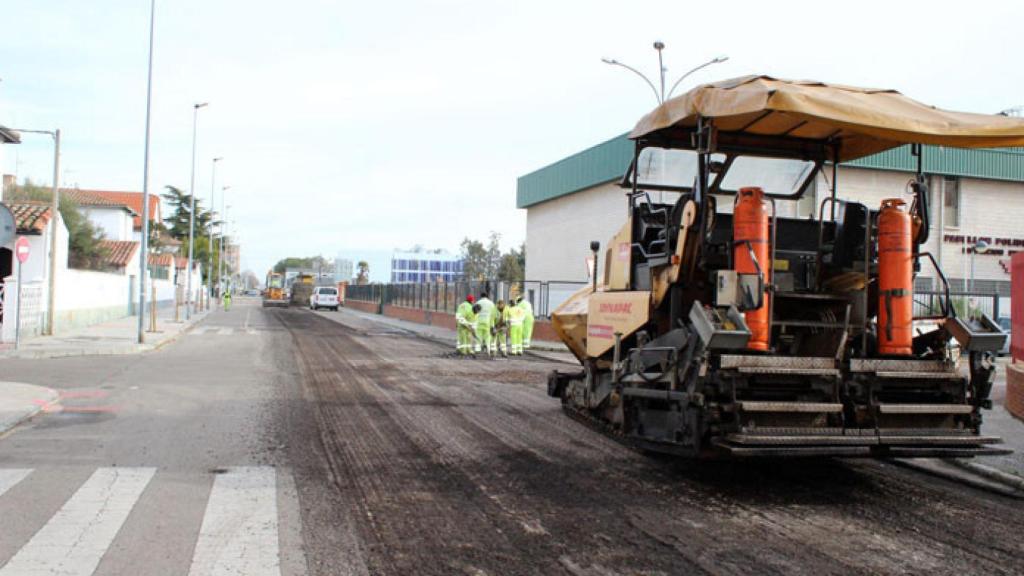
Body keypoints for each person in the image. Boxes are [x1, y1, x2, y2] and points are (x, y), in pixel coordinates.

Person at [475, 291, 495, 356]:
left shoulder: (478, 302)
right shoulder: (491, 303)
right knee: (487, 336)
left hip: (479, 321)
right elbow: (493, 314)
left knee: (478, 336)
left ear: (481, 296)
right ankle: (488, 350)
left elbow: (475, 312)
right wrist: (492, 324)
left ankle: (477, 350)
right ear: (487, 296)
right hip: (487, 322)